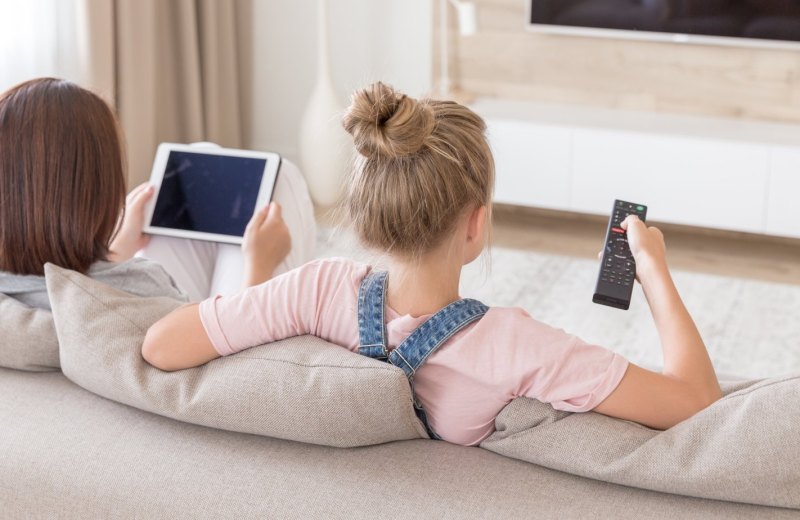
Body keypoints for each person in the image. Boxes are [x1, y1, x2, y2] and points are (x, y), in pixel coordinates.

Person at [142, 82, 723, 446]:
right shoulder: (517, 346)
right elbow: (696, 402)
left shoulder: (313, 289)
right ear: (475, 224)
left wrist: (256, 275)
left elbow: (160, 346)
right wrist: (652, 273)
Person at [0, 77, 311, 310]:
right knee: (279, 175)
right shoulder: (142, 290)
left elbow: (69, 288)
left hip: (103, 288)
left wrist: (114, 253)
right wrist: (260, 267)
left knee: (201, 157)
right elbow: (228, 365)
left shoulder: (13, 292)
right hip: (217, 338)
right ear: (97, 194)